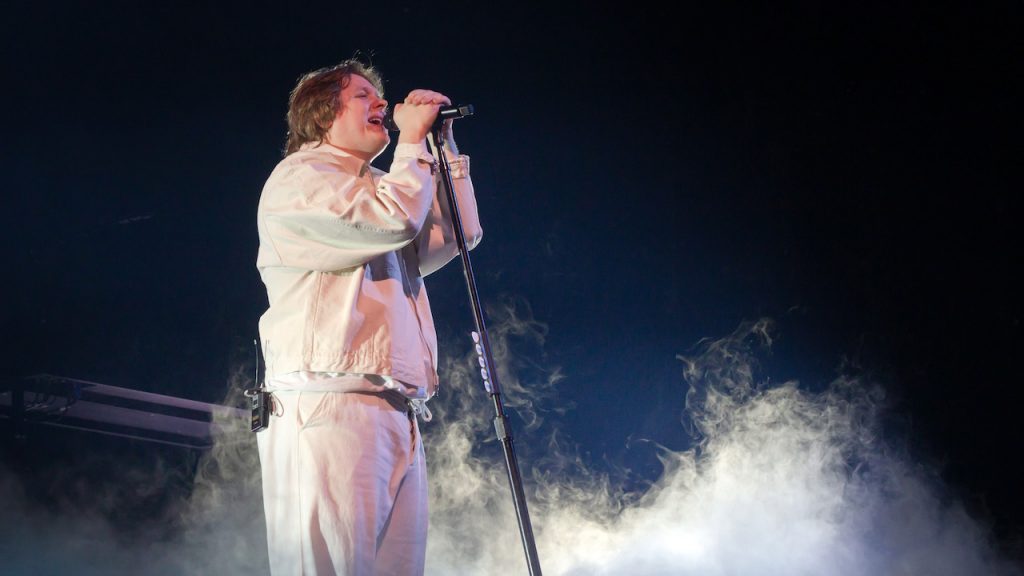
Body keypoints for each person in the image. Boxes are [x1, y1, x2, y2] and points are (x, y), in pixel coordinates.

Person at [254, 59, 482, 576]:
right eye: (363, 95)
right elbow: (394, 220)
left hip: (394, 408)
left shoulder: (383, 184)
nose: (382, 102)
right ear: (321, 114)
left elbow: (457, 235)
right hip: (329, 406)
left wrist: (441, 148)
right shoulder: (300, 179)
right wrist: (411, 142)